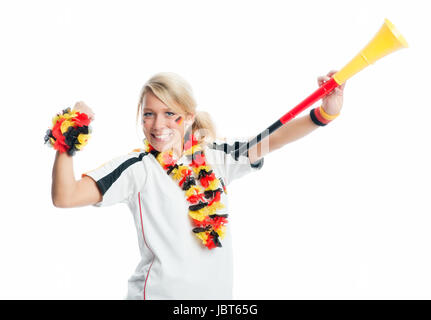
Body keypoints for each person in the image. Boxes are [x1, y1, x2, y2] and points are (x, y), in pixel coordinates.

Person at [49, 71, 346, 299]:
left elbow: (271, 139)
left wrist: (326, 112)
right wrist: (70, 135)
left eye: (170, 114)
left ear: (189, 117)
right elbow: (65, 196)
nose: (157, 125)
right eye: (149, 114)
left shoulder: (216, 157)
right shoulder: (138, 168)